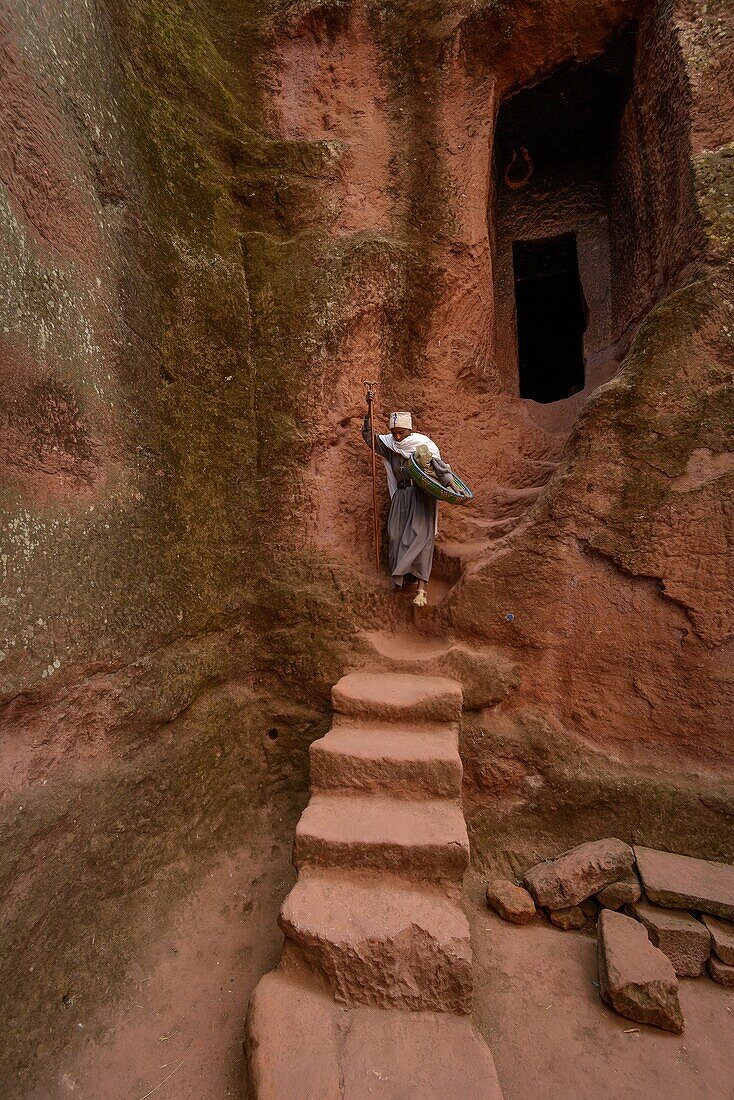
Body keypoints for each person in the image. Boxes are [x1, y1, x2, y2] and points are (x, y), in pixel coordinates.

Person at [362, 406, 454, 606]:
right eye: (394, 432)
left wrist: (452, 485)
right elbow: (371, 440)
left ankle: (421, 590)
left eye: (401, 432)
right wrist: (368, 417)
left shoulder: (420, 445)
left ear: (409, 431)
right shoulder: (390, 445)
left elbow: (438, 466)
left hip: (421, 497)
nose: (397, 436)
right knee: (395, 535)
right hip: (401, 496)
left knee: (420, 536)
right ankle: (401, 579)